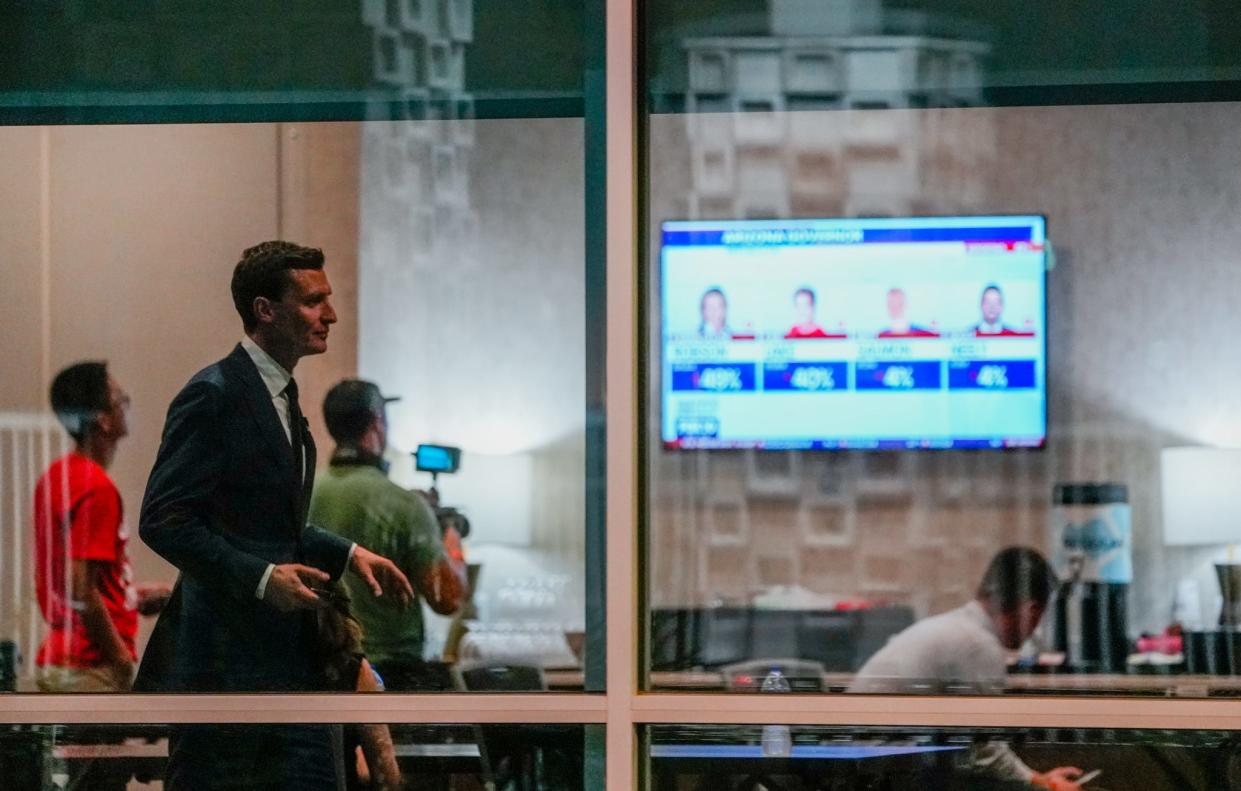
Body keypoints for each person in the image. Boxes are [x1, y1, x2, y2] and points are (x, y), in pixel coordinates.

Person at [136, 241, 414, 791]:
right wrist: (264, 580)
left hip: (285, 665)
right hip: (228, 671)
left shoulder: (278, 394)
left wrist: (349, 553)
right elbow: (163, 519)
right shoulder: (213, 394)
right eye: (313, 302)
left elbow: (260, 522)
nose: (330, 315)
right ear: (265, 310)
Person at [849, 547, 1085, 791]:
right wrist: (1042, 784)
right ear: (1030, 609)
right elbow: (982, 753)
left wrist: (1036, 778)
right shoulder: (978, 646)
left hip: (864, 764)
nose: (1034, 630)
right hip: (876, 774)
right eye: (1040, 616)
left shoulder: (957, 629)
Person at [310, 378, 467, 690]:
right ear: (378, 423)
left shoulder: (304, 494)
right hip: (391, 675)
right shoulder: (406, 505)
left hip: (320, 669)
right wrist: (450, 536)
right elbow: (446, 599)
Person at [33, 362, 169, 693]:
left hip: (60, 658)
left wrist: (130, 597)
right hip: (90, 667)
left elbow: (71, 580)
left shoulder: (57, 477)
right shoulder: (97, 487)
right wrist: (120, 659)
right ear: (102, 420)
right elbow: (81, 589)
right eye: (120, 400)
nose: (127, 407)